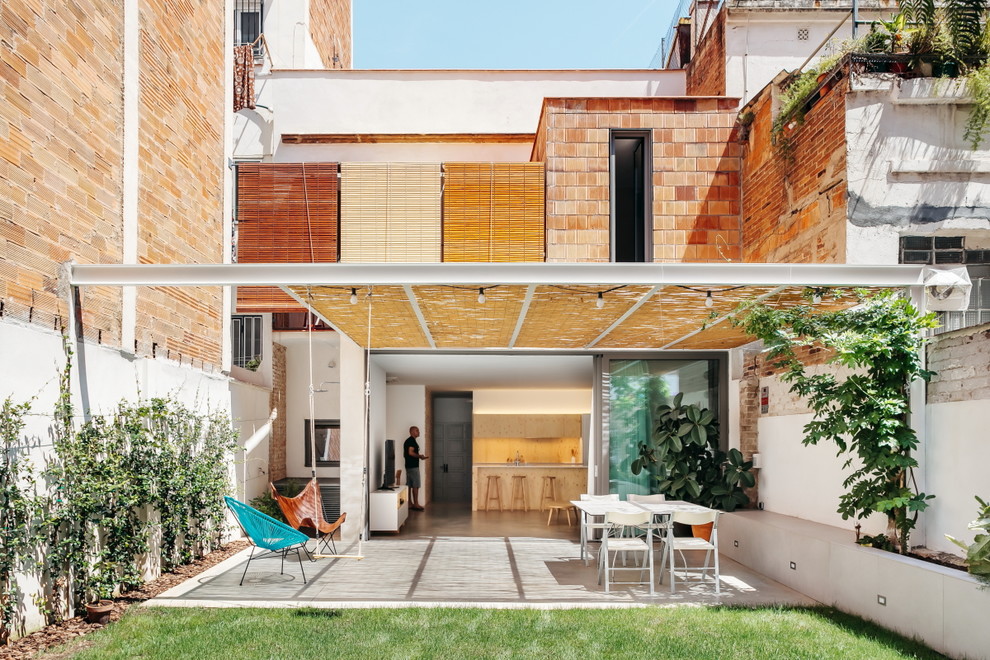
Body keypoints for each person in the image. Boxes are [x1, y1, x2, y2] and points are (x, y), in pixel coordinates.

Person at [403, 426, 428, 510]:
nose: (419, 432)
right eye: (417, 431)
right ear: (412, 432)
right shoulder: (411, 441)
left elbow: (407, 453)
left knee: (410, 485)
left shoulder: (410, 441)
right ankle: (416, 504)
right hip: (413, 467)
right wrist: (420, 456)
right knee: (416, 485)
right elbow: (410, 452)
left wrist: (419, 456)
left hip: (409, 466)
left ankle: (410, 503)